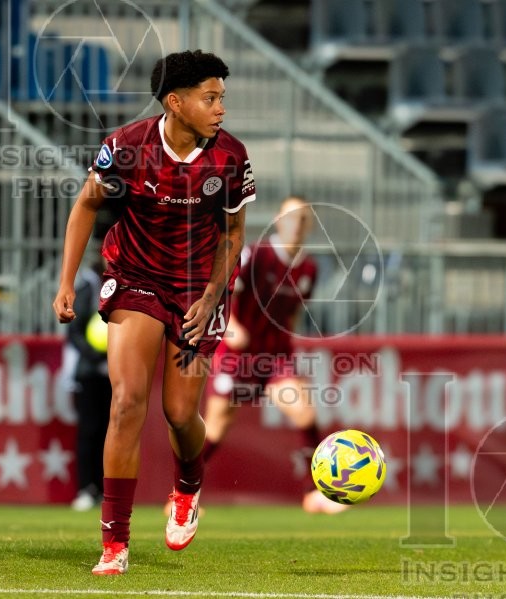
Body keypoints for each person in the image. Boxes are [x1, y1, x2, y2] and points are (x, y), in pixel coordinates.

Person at [52, 49, 255, 575]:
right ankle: (114, 544)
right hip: (136, 278)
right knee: (126, 403)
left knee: (180, 414)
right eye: (210, 98)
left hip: (198, 288)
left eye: (222, 98)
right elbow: (86, 204)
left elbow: (233, 234)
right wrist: (66, 281)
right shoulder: (126, 146)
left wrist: (212, 296)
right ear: (175, 102)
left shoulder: (230, 157)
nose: (221, 108)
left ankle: (187, 486)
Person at [199, 196, 347, 515]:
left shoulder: (309, 268)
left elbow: (292, 313)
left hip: (275, 357)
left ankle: (314, 493)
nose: (297, 224)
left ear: (310, 225)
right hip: (236, 356)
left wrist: (286, 342)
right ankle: (181, 493)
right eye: (291, 217)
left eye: (304, 218)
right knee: (216, 428)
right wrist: (230, 328)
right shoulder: (255, 255)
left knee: (305, 414)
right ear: (279, 221)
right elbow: (218, 294)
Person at [65, 252, 111, 512]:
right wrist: (95, 355)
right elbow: (75, 330)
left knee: (111, 432)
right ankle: (86, 488)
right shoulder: (89, 286)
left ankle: (106, 490)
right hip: (89, 372)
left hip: (114, 372)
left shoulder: (129, 283)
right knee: (90, 431)